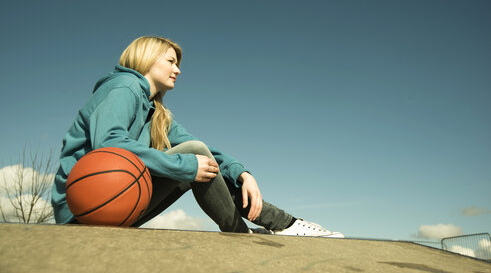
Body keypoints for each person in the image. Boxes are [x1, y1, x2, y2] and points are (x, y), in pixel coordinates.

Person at [51, 36, 344, 237]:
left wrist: (242, 174)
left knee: (198, 154)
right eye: (171, 61)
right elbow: (110, 145)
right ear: (147, 58)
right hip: (84, 208)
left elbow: (206, 151)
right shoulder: (124, 87)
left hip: (116, 202)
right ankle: (279, 225)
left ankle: (275, 225)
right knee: (193, 156)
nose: (178, 69)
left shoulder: (158, 113)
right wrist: (187, 166)